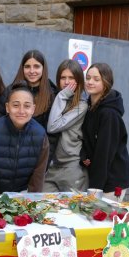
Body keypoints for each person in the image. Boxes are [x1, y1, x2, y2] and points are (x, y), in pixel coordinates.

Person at [0, 83, 49, 195]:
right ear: (7, 107)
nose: (21, 111)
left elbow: (38, 174)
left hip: (22, 194)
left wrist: (32, 202)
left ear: (33, 109)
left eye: (27, 106)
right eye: (16, 105)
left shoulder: (40, 134)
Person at [80, 63, 129, 200]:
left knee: (104, 221)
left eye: (96, 79)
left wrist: (95, 190)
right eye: (88, 77)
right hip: (100, 177)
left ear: (106, 82)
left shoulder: (109, 114)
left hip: (112, 182)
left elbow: (104, 153)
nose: (90, 82)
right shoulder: (91, 107)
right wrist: (84, 155)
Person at [44, 59, 88, 192]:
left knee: (72, 211)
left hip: (72, 167)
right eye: (63, 78)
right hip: (53, 166)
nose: (67, 82)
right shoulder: (57, 100)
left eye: (71, 78)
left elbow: (53, 127)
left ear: (79, 80)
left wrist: (61, 96)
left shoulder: (81, 105)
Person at [0, 49, 57, 128]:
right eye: (27, 67)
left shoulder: (52, 94)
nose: (32, 71)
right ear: (22, 68)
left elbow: (52, 130)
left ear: (43, 69)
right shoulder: (10, 91)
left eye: (36, 66)